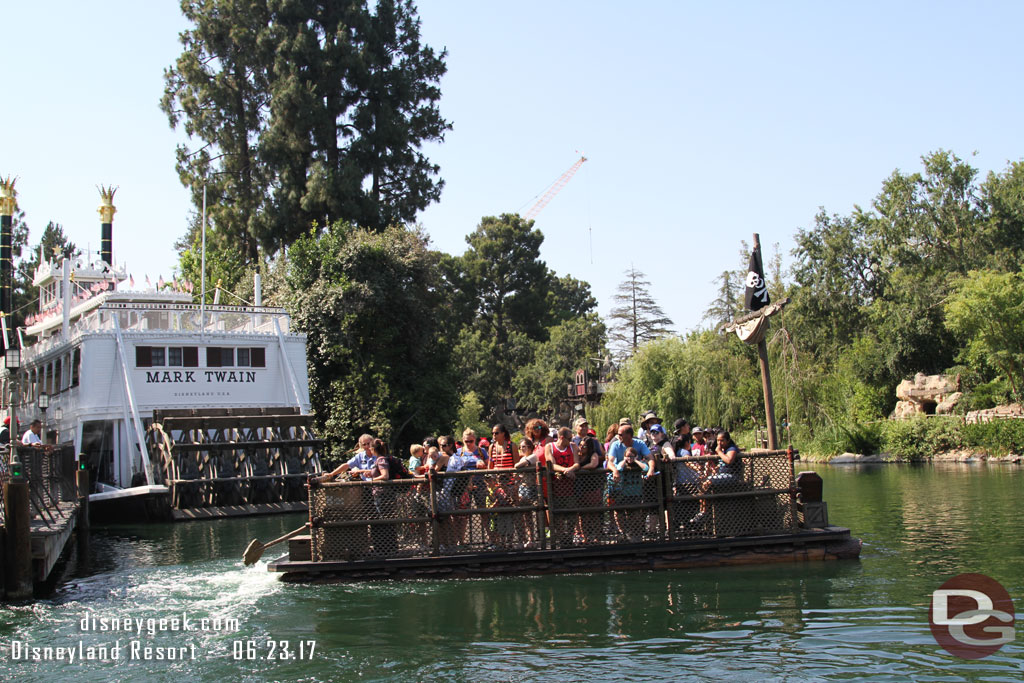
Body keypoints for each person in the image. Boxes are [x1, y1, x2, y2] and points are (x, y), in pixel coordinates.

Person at [545, 427, 580, 546]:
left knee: (571, 514)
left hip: (571, 487)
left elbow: (576, 463)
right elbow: (551, 464)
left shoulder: (573, 446)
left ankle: (569, 536)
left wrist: (571, 469)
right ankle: (560, 538)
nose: (571, 440)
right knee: (557, 515)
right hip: (556, 487)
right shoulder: (549, 447)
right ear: (561, 437)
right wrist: (564, 470)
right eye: (569, 438)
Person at [613, 447, 650, 541]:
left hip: (636, 494)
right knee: (620, 514)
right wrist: (625, 460)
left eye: (632, 456)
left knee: (635, 515)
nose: (630, 458)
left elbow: (646, 468)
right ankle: (624, 533)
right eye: (628, 456)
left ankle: (635, 534)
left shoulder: (638, 465)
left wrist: (636, 460)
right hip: (624, 495)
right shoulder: (623, 465)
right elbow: (618, 468)